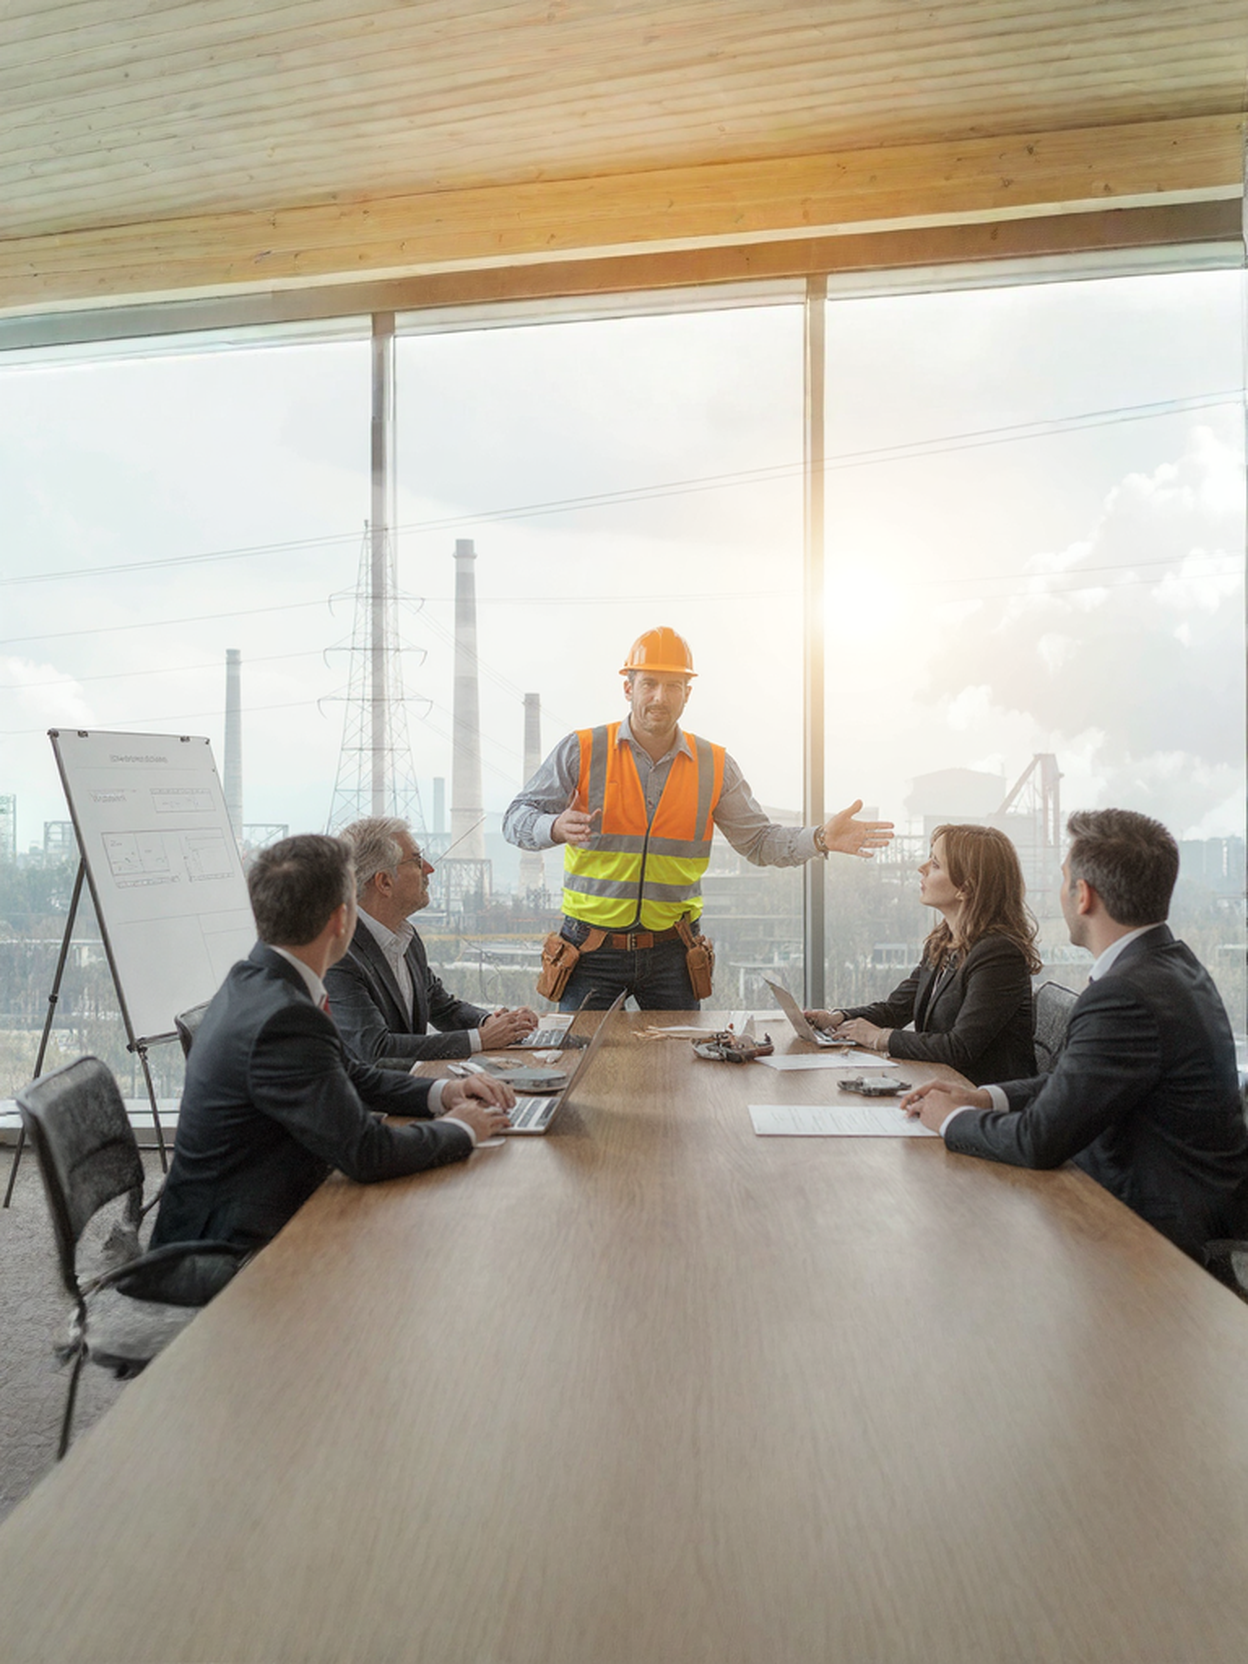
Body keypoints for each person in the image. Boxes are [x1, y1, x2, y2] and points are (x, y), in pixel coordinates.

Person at [901, 809, 1248, 1264]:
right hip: (1154, 1207)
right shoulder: (1171, 966)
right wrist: (984, 1098)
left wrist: (947, 1119)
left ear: (1082, 895)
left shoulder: (1125, 993)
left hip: (1155, 1238)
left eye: (1064, 879)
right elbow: (1077, 1080)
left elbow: (1038, 1141)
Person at [150, 833, 514, 1258]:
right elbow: (367, 1153)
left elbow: (349, 1073)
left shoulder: (255, 979)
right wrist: (463, 1128)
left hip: (245, 1212)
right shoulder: (284, 1016)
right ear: (343, 920)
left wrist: (444, 1093)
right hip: (230, 1251)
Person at [502, 626, 893, 1009]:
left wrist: (821, 837)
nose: (660, 697)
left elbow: (758, 842)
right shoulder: (583, 750)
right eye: (649, 684)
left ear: (688, 694)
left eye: (673, 686)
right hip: (590, 952)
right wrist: (552, 827)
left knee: (680, 1070)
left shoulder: (714, 765)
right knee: (582, 1067)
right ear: (628, 688)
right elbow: (515, 818)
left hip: (672, 954)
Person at [805, 823, 1041, 1085]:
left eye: (936, 864)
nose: (922, 868)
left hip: (980, 1104)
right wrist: (838, 1017)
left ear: (966, 888)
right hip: (940, 1087)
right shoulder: (943, 942)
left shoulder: (999, 954)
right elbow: (897, 1009)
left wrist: (878, 1037)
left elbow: (960, 1048)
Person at [326, 817, 539, 1063]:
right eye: (417, 861)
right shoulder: (339, 954)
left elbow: (441, 1006)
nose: (429, 868)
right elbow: (376, 1049)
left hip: (411, 1087)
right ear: (384, 882)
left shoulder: (406, 937)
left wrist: (492, 1022)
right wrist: (481, 1039)